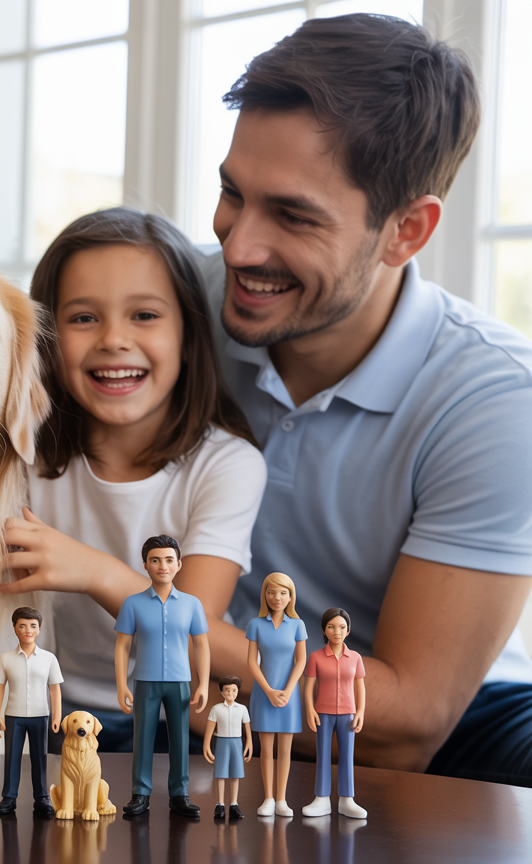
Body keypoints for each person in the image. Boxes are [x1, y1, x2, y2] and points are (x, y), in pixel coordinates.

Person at [204, 13, 532, 785]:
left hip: (451, 720)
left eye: (292, 215)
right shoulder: (158, 315)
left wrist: (147, 621)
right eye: (230, 192)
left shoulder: (494, 399)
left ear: (406, 231)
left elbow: (410, 722)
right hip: (208, 692)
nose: (238, 245)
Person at [0, 208, 267, 751]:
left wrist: (97, 573)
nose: (114, 340)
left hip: (175, 713)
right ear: (47, 340)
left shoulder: (228, 464)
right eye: (83, 318)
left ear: (189, 336)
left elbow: (191, 640)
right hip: (50, 712)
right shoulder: (18, 453)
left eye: (144, 315)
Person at [115, 536, 210, 817]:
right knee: (143, 737)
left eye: (169, 560)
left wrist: (203, 683)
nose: (162, 566)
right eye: (155, 560)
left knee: (180, 738)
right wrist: (121, 683)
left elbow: (202, 644)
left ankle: (179, 793)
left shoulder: (192, 604)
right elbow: (122, 646)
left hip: (180, 681)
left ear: (179, 564)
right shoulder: (133, 604)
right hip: (145, 681)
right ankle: (140, 793)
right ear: (145, 565)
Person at [0, 606, 63, 819]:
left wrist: (56, 716)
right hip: (13, 716)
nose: (27, 630)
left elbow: (55, 688)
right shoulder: (5, 659)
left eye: (32, 626)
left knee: (39, 757)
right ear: (14, 628)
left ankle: (41, 796)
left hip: (40, 716)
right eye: (22, 626)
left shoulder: (49, 658)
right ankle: (9, 796)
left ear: (39, 629)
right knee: (12, 756)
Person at [246, 572, 306, 816]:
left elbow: (301, 661)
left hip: (289, 696)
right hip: (264, 693)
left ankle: (281, 800)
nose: (277, 597)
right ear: (265, 595)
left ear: (291, 596)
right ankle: (268, 798)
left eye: (283, 592)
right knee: (266, 750)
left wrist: (288, 691)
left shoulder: (298, 625)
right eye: (271, 592)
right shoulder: (256, 624)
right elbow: (251, 662)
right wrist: (269, 691)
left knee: (285, 751)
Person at [302, 609, 366, 819]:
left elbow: (360, 687)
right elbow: (308, 686)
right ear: (323, 630)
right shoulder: (316, 657)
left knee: (347, 756)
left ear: (348, 631)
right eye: (331, 627)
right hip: (323, 714)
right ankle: (321, 798)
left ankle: (347, 799)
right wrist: (310, 709)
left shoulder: (355, 658)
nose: (336, 631)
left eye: (341, 627)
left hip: (348, 714)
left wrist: (360, 712)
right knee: (323, 755)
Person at [203, 675, 252, 820]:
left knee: (235, 774)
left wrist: (249, 743)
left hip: (237, 742)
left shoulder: (242, 709)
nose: (231, 694)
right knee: (221, 773)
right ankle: (220, 804)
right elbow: (210, 728)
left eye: (234, 690)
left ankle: (234, 804)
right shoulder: (216, 709)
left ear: (238, 691)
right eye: (227, 691)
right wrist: (206, 745)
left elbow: (247, 729)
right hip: (222, 742)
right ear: (222, 692)